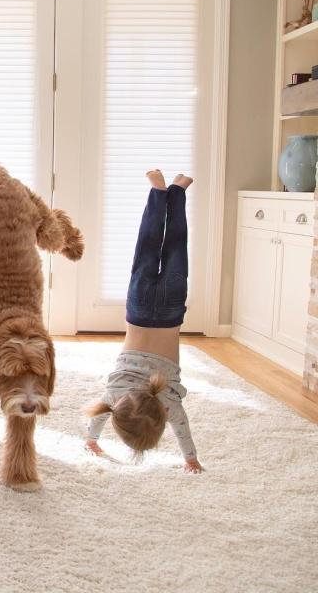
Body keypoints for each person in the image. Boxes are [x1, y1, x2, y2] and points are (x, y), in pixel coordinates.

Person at [85, 170, 203, 473]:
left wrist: (190, 459)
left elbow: (182, 430)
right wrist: (91, 439)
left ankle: (177, 192)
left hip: (170, 309)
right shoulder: (114, 395)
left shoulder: (169, 405)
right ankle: (158, 192)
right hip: (138, 307)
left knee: (176, 248)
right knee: (147, 247)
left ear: (162, 414)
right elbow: (98, 417)